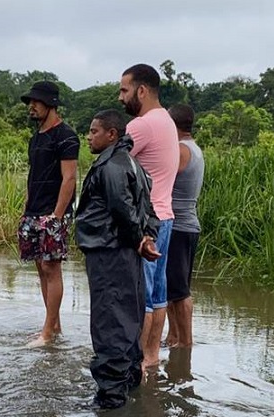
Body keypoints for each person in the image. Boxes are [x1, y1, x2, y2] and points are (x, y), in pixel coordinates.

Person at [76, 109, 161, 409]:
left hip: (110, 254)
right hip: (125, 255)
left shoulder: (112, 165)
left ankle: (111, 400)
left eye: (94, 131)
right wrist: (146, 238)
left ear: (111, 134)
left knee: (110, 321)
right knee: (127, 317)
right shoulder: (134, 165)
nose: (88, 136)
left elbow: (122, 210)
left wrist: (140, 238)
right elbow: (149, 210)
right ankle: (128, 390)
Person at [119, 64, 179, 369]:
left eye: (124, 90)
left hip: (145, 222)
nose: (120, 97)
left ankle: (136, 359)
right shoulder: (167, 120)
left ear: (142, 91)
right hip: (165, 218)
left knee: (140, 295)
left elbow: (114, 167)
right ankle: (152, 358)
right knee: (158, 294)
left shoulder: (141, 126)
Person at [17, 81, 80, 347]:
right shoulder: (37, 136)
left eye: (36, 102)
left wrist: (56, 215)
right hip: (34, 211)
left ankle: (47, 332)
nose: (31, 106)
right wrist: (26, 210)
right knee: (41, 269)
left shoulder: (66, 136)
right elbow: (33, 176)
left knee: (51, 267)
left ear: (51, 103)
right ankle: (53, 326)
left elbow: (69, 179)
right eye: (30, 102)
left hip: (53, 213)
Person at [164, 104, 204, 348]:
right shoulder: (193, 148)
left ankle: (185, 344)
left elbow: (162, 177)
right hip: (184, 225)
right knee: (172, 287)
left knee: (180, 290)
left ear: (172, 125)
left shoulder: (180, 150)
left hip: (180, 226)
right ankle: (174, 336)